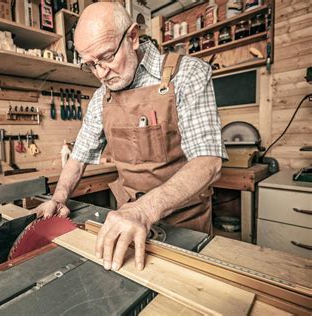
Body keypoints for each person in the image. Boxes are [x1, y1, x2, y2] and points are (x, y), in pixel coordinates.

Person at [34, 2, 228, 272]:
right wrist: (58, 198)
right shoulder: (101, 97)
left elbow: (209, 161)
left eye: (107, 56)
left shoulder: (187, 73)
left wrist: (144, 210)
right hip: (128, 223)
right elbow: (78, 158)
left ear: (133, 37)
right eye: (91, 65)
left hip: (186, 223)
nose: (101, 73)